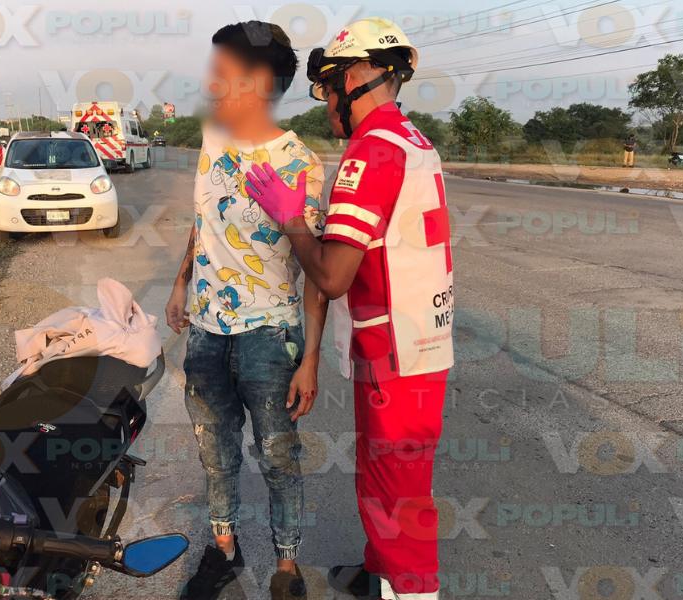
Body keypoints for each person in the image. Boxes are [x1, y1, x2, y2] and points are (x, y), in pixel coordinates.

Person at [246, 18, 454, 600]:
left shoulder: (371, 152)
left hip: (394, 352)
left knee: (397, 489)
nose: (329, 103)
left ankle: (411, 589)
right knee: (383, 476)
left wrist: (289, 217)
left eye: (329, 87)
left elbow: (334, 276)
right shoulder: (413, 140)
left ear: (358, 76)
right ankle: (380, 568)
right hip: (414, 341)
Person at [165, 20, 328, 600]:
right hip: (207, 332)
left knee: (278, 455)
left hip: (270, 336)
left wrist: (310, 357)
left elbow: (317, 272)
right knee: (215, 450)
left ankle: (286, 568)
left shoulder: (301, 161)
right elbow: (201, 220)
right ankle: (225, 548)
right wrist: (181, 283)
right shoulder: (212, 141)